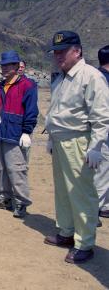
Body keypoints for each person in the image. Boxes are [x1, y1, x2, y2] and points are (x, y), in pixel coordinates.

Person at [43, 31, 109, 264]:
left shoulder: (90, 76)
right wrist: (51, 136)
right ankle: (67, 232)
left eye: (63, 51)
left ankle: (85, 243)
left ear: (77, 51)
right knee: (63, 191)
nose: (58, 56)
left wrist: (96, 146)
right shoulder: (62, 77)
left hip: (79, 141)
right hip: (61, 140)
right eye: (56, 52)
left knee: (82, 194)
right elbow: (57, 110)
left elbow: (101, 117)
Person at [0, 51, 39, 218]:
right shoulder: (0, 86)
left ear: (17, 67)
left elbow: (31, 111)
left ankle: (21, 202)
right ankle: (5, 198)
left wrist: (26, 131)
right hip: (0, 133)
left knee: (17, 170)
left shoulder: (27, 85)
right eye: (3, 65)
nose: (5, 68)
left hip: (16, 134)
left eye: (9, 65)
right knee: (1, 169)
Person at [95, 45, 109, 219]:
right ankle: (93, 211)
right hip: (103, 133)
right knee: (101, 173)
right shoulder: (100, 79)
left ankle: (104, 205)